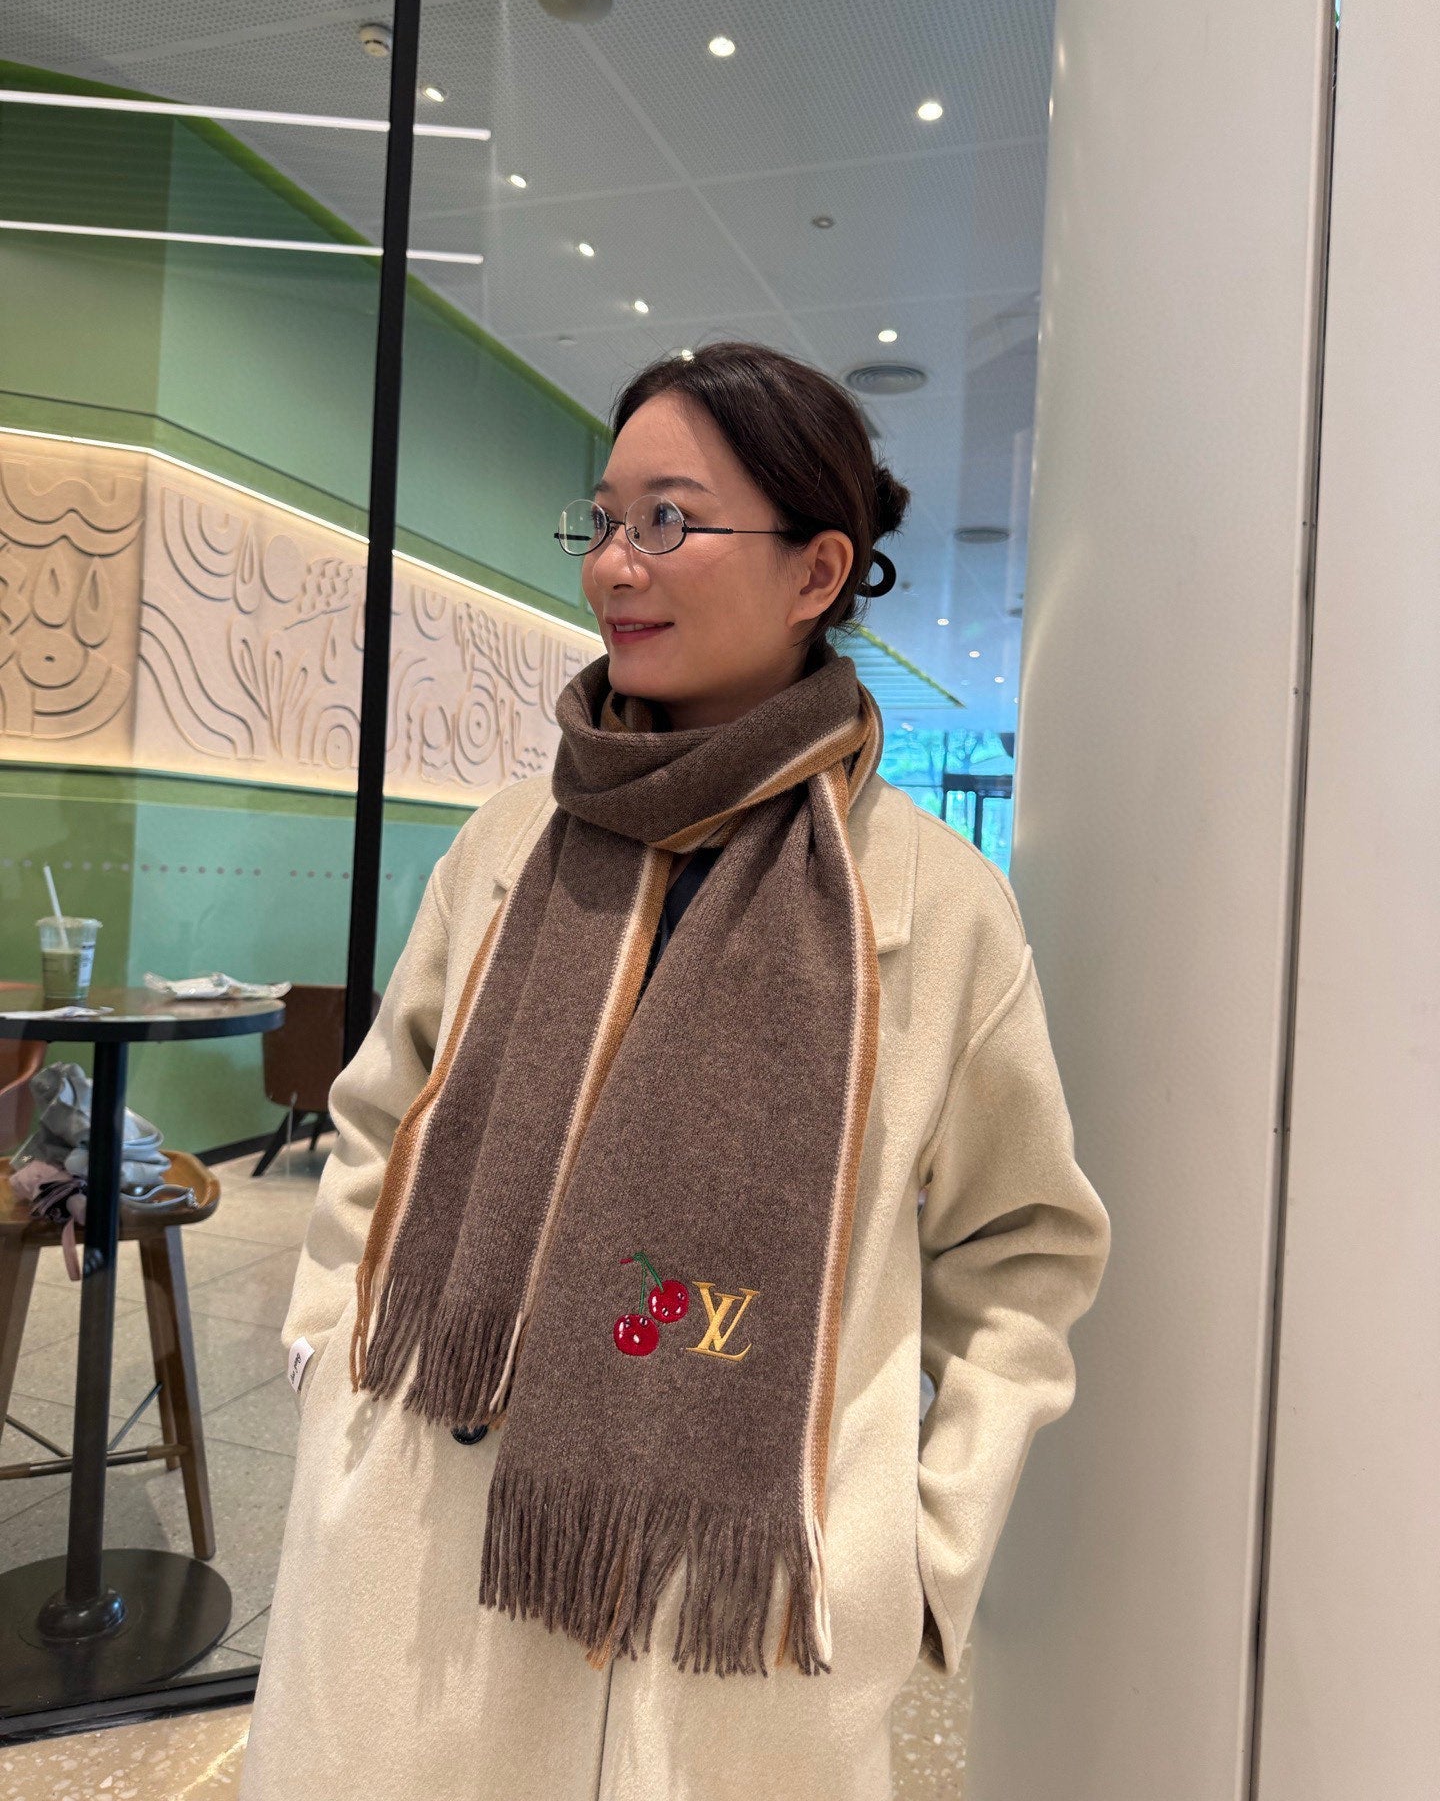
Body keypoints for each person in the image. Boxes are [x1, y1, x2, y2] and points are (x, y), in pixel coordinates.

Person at [239, 341, 1112, 1801]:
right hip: (421, 1559)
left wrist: (918, 1551)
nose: (614, 567)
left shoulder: (935, 903)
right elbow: (381, 1117)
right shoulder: (511, 841)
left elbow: (1022, 1253)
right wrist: (332, 1361)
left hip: (735, 1628)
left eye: (668, 521)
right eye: (603, 519)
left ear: (816, 570)